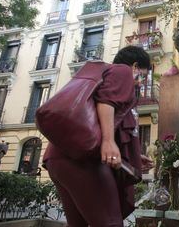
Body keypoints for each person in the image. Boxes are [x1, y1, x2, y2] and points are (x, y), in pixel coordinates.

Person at [43, 46, 154, 227]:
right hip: (85, 161)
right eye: (143, 75)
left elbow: (103, 116)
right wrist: (109, 142)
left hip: (59, 159)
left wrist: (131, 156)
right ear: (135, 66)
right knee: (109, 223)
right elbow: (106, 103)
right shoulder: (123, 71)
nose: (141, 82)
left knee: (78, 224)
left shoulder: (106, 74)